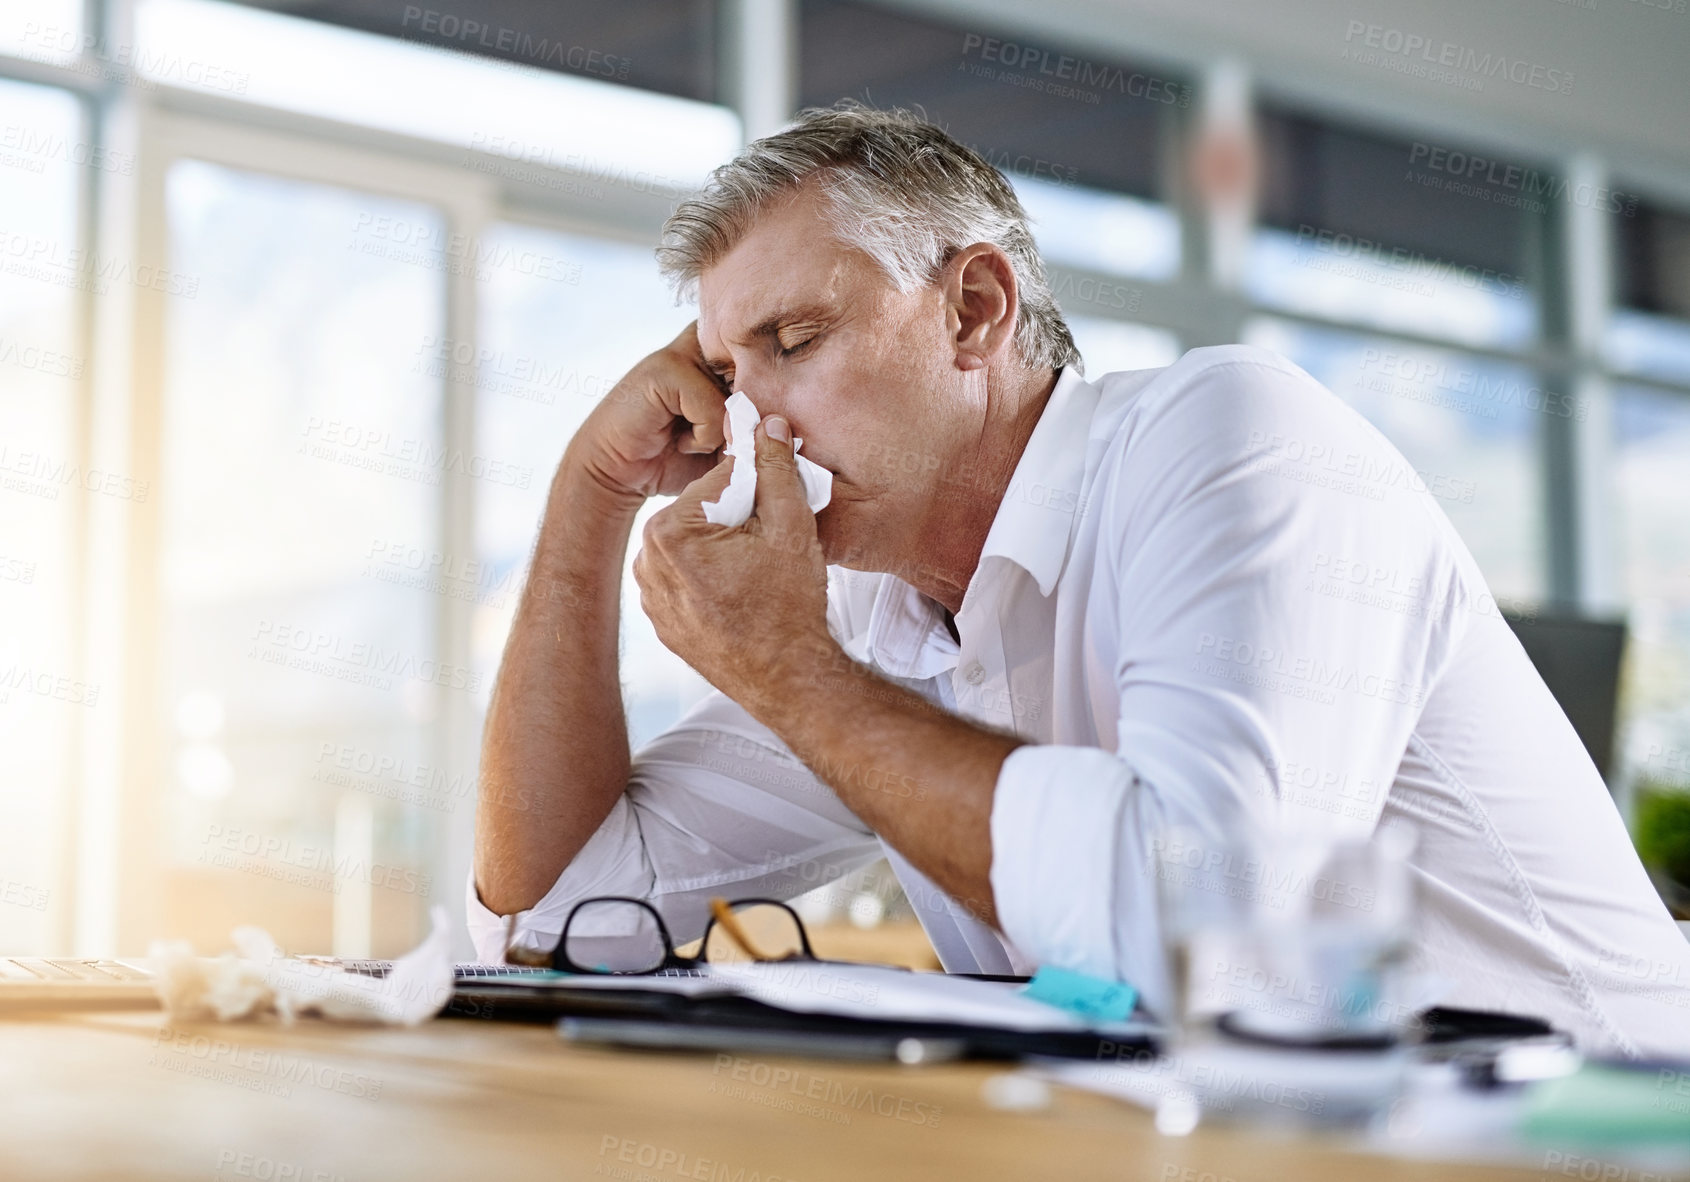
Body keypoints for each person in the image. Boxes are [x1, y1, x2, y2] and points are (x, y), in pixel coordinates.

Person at [469, 103, 1690, 1056]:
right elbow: (553, 919)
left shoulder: (1231, 439)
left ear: (975, 309)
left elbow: (1220, 940)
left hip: (1584, 1145)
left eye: (792, 344)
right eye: (730, 377)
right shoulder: (877, 614)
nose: (752, 424)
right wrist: (589, 500)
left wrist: (790, 672)